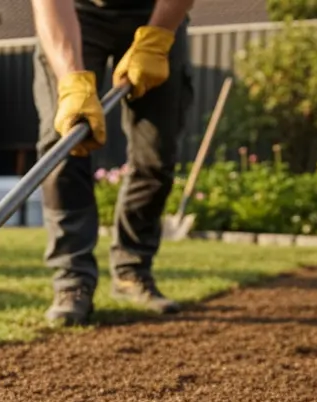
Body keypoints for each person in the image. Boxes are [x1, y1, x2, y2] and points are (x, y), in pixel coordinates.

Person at [30, 0, 195, 326]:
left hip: (155, 10)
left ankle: (132, 271)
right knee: (62, 145)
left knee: (156, 155)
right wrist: (72, 81)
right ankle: (72, 281)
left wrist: (158, 36)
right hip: (76, 11)